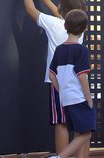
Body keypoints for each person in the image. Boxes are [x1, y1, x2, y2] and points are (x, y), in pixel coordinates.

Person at [23, 0, 88, 156]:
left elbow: (30, 9)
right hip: (78, 82)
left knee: (62, 123)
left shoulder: (53, 24)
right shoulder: (79, 27)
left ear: (62, 8)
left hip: (59, 82)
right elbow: (62, 15)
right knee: (82, 126)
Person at [49, 9, 97, 158]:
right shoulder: (82, 50)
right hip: (80, 98)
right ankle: (59, 157)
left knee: (78, 132)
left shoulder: (59, 49)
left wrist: (61, 90)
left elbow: (51, 75)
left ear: (65, 27)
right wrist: (89, 99)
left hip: (66, 99)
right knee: (87, 133)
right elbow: (82, 77)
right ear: (85, 29)